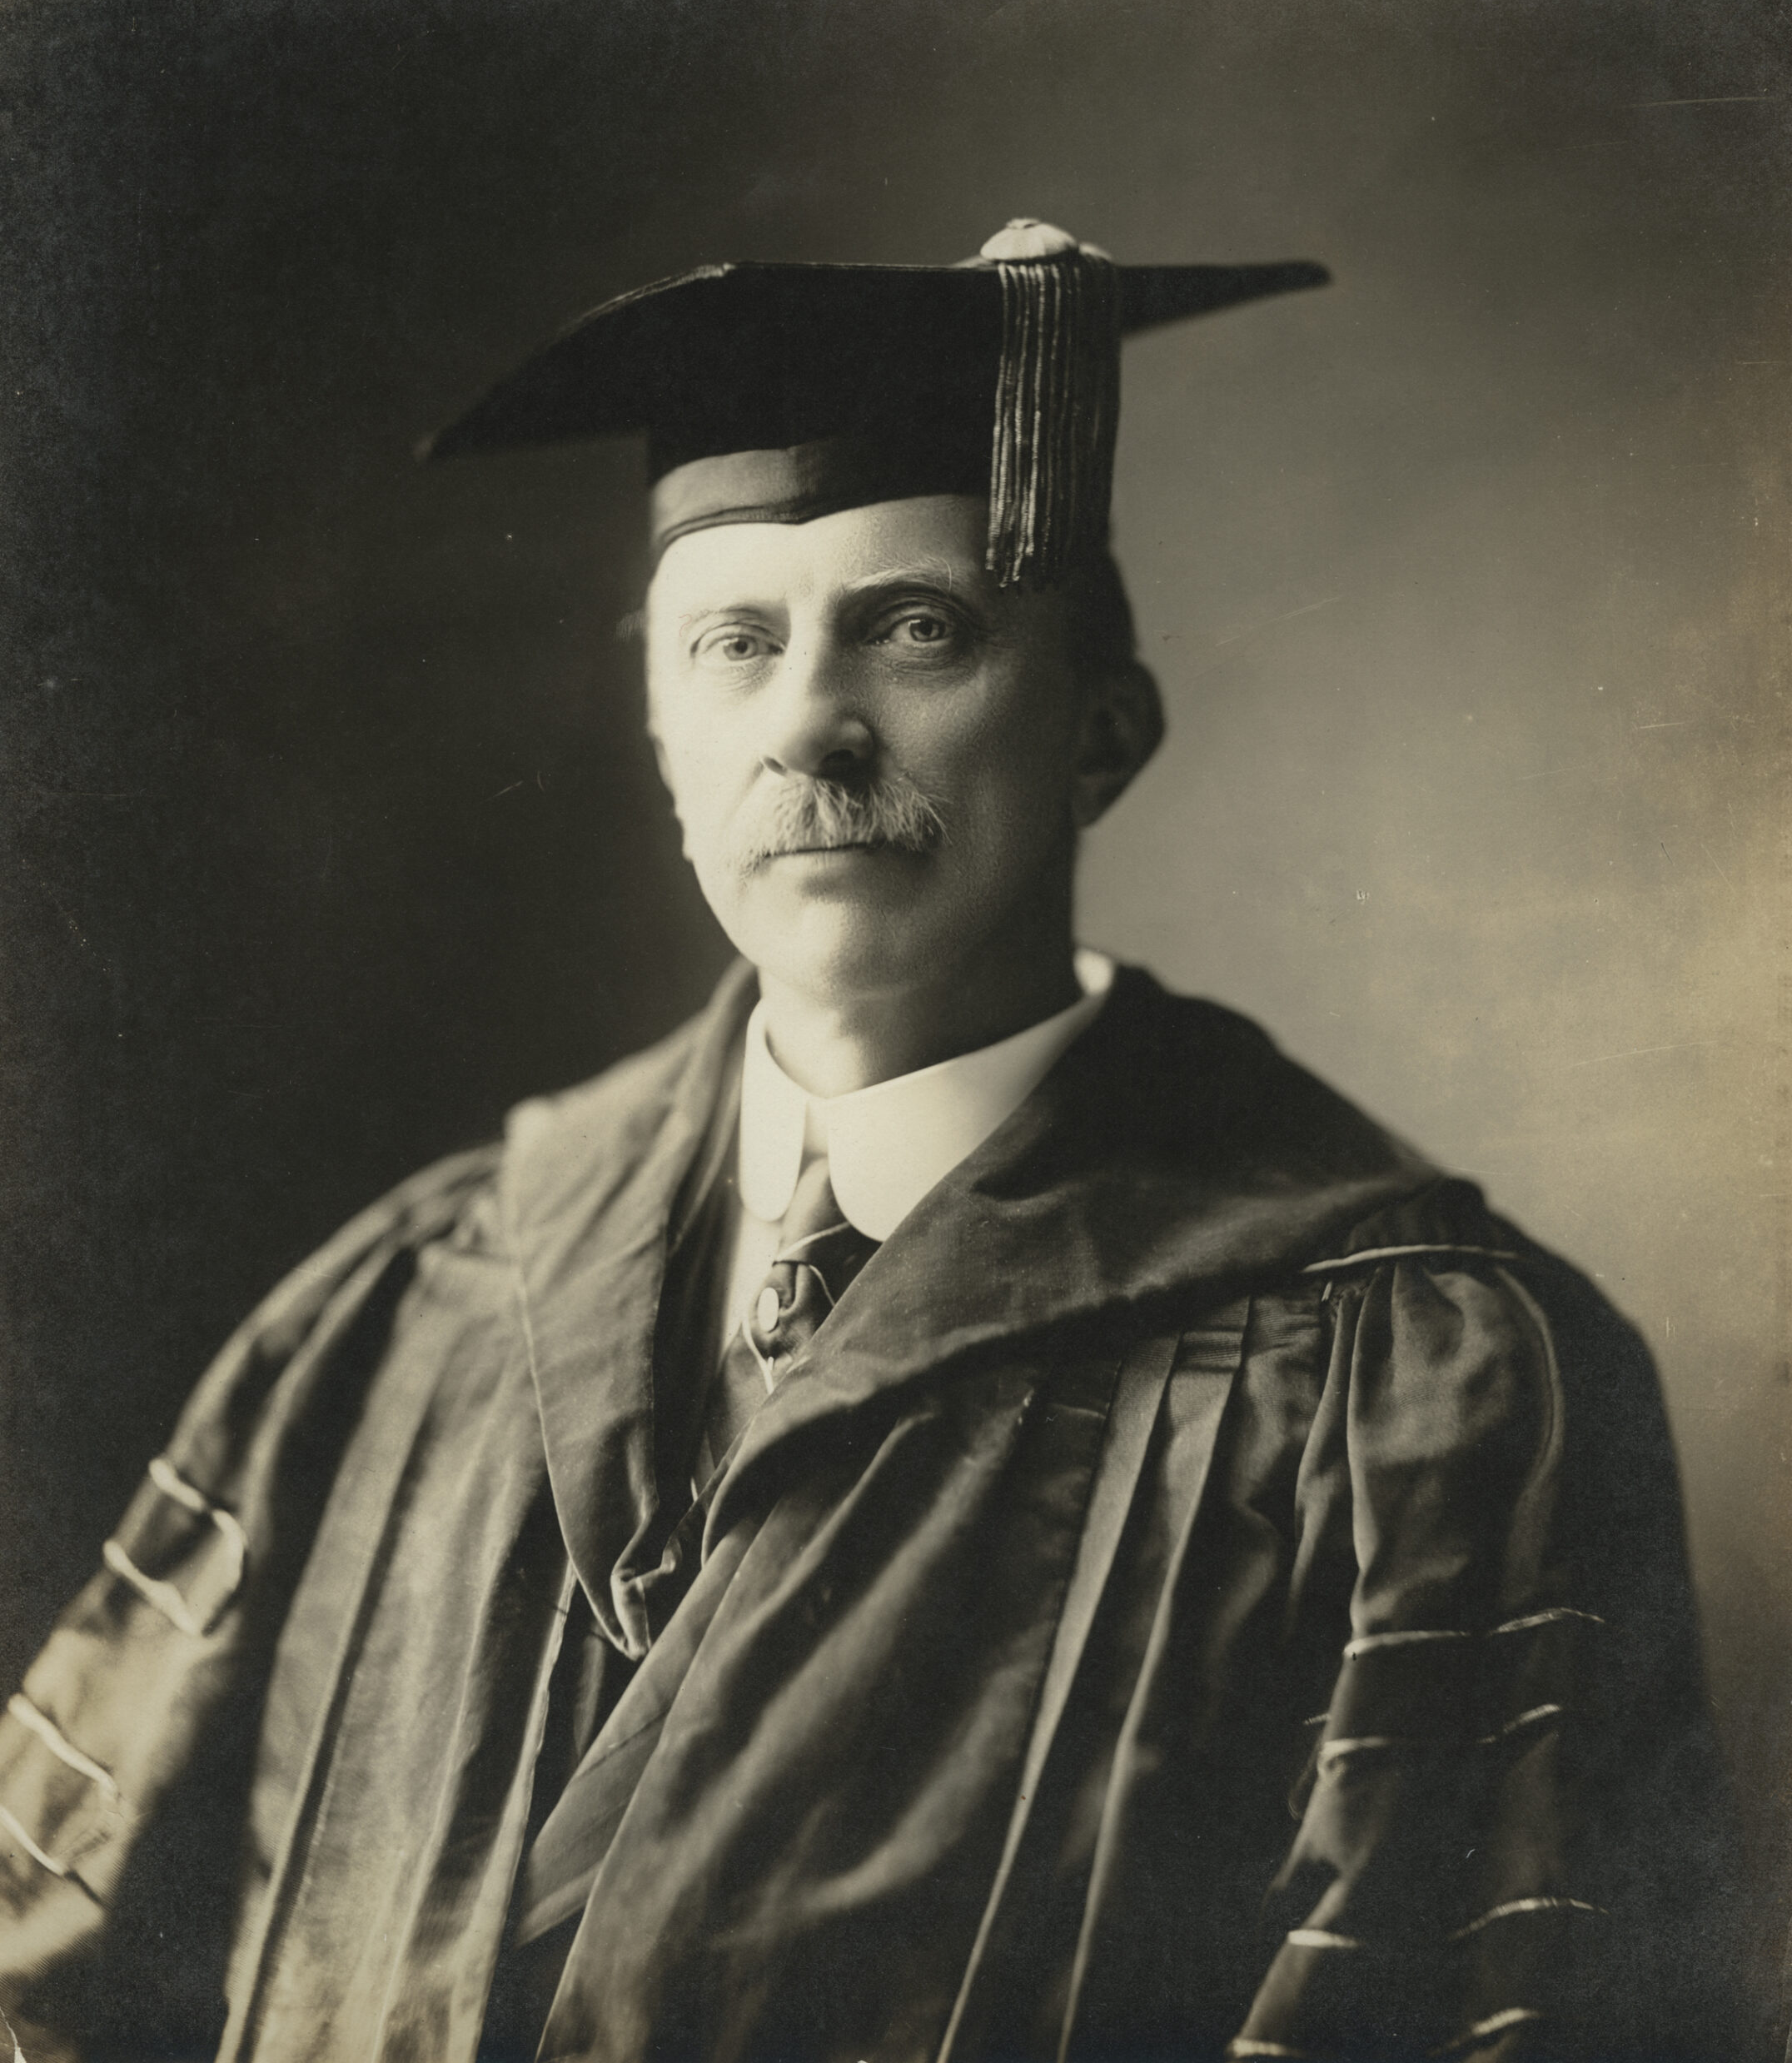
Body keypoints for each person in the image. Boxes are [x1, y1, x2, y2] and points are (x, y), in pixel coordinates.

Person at [0, 222, 1745, 2063]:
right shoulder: (405, 1305)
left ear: (1102, 727)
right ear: (663, 734)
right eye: (731, 641)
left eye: (919, 628)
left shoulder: (1416, 1383)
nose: (810, 721)